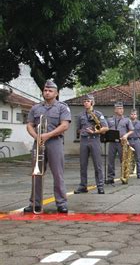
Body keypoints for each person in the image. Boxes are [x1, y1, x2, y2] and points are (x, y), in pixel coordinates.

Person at [24, 79, 71, 213]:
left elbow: (65, 125)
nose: (47, 92)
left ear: (56, 93)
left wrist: (48, 135)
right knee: (36, 173)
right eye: (45, 90)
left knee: (58, 174)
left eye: (50, 91)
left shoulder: (62, 107)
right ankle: (35, 203)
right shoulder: (36, 108)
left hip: (55, 142)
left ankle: (61, 203)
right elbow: (29, 125)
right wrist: (36, 136)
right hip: (38, 142)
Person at [74, 94, 109, 195]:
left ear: (92, 102)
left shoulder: (98, 114)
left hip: (94, 139)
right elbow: (78, 129)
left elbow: (105, 128)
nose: (86, 102)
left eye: (88, 101)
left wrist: (94, 131)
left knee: (97, 164)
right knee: (83, 164)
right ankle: (83, 186)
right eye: (84, 101)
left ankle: (100, 186)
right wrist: (81, 132)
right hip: (84, 140)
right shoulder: (80, 115)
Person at [106, 102, 134, 184]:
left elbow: (131, 130)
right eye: (119, 108)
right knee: (110, 160)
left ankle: (124, 177)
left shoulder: (127, 119)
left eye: (122, 108)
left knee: (124, 160)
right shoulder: (109, 119)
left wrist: (126, 135)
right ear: (115, 110)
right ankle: (110, 177)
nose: (121, 110)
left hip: (122, 142)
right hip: (112, 142)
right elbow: (105, 129)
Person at [128, 109, 140, 178]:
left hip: (137, 141)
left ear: (136, 115)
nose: (133, 115)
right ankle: (128, 173)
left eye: (134, 114)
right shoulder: (127, 122)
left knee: (138, 157)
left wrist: (138, 137)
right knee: (128, 157)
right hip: (128, 140)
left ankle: (139, 174)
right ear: (130, 115)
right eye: (132, 114)